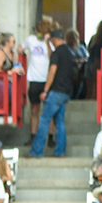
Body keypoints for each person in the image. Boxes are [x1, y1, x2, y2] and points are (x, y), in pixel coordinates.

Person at [28, 29, 74, 158]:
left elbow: (52, 72)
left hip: (56, 92)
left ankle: (36, 151)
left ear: (54, 39)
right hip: (65, 92)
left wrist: (45, 90)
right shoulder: (68, 52)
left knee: (44, 120)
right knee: (60, 122)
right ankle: (60, 151)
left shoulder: (57, 53)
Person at [22, 17, 52, 137]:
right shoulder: (31, 40)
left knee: (48, 111)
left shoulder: (49, 43)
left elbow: (52, 56)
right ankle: (33, 134)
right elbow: (21, 48)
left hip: (46, 80)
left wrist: (47, 42)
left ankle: (50, 135)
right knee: (34, 110)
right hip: (34, 79)